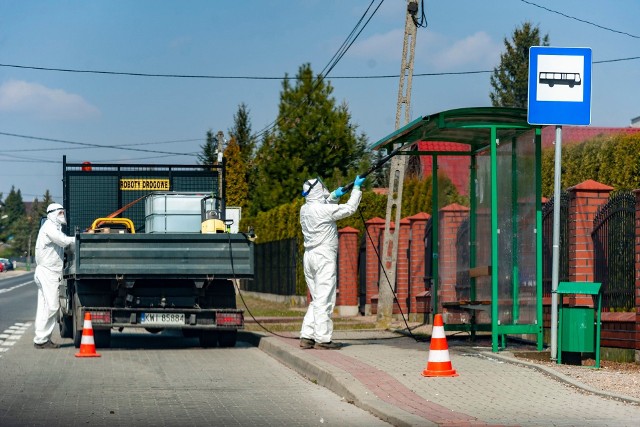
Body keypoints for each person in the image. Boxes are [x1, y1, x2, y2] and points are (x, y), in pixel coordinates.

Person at [299, 175, 365, 350]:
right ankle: (323, 339)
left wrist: (335, 195)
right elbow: (350, 208)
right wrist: (357, 189)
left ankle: (307, 336)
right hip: (323, 257)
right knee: (325, 298)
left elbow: (323, 204)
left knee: (316, 299)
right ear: (318, 191)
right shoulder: (322, 210)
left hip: (310, 257)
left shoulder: (305, 209)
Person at [33, 203, 75, 349]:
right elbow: (63, 241)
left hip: (46, 272)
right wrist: (80, 238)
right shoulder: (50, 227)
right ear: (51, 214)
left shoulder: (52, 227)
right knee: (52, 306)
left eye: (63, 212)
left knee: (44, 307)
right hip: (48, 273)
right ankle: (42, 339)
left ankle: (41, 339)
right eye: (59, 213)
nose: (62, 215)